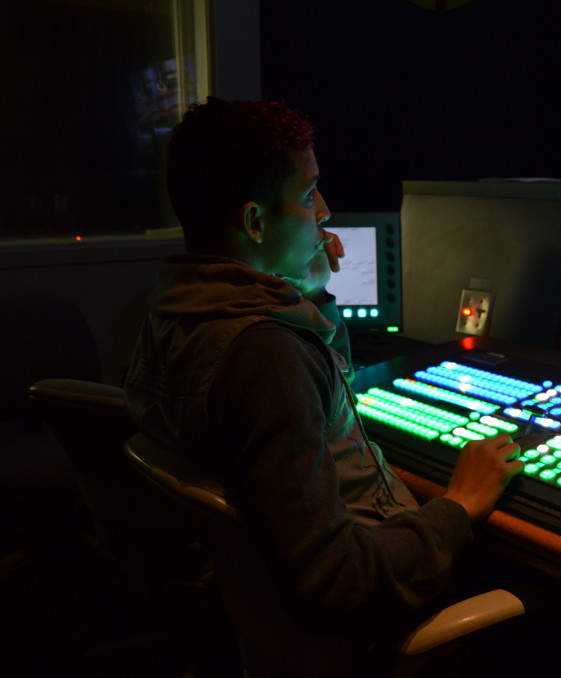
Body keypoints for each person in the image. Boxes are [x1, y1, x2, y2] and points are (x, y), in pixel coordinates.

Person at [125, 98, 524, 657]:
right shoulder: (265, 354)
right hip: (369, 615)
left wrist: (306, 288)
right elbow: (336, 581)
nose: (326, 211)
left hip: (254, 606)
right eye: (310, 195)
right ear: (255, 222)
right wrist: (456, 506)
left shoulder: (177, 311)